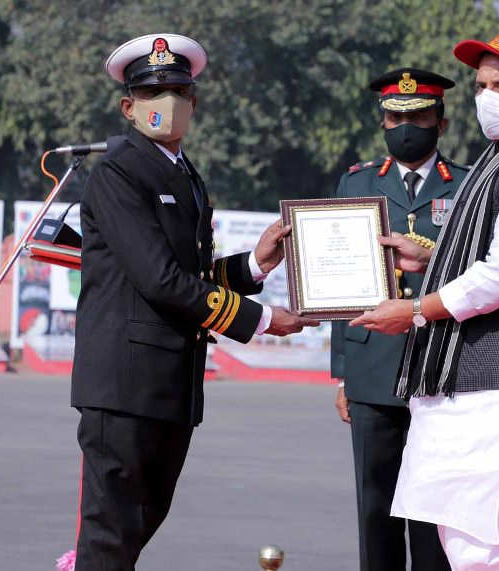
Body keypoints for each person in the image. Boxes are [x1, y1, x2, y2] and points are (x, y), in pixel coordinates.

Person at [63, 34, 318, 570]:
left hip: (169, 385)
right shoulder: (117, 173)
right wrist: (262, 320)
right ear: (128, 107)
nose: (168, 102)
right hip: (124, 384)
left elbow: (189, 276)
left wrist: (255, 265)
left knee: (138, 526)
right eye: (152, 93)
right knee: (110, 537)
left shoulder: (184, 173)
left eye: (179, 90)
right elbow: (159, 280)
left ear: (194, 102)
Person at [351, 28, 499, 570]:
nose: (488, 97)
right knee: (470, 551)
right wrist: (429, 260)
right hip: (480, 396)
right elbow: (491, 255)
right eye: (482, 85)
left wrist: (416, 309)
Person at [331, 68, 467, 571]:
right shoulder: (357, 182)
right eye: (395, 118)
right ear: (382, 122)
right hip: (372, 368)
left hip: (441, 366)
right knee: (376, 508)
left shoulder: (468, 185)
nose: (406, 127)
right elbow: (339, 286)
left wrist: (429, 260)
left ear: (441, 123)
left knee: (434, 511)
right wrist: (342, 373)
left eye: (419, 117)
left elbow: (483, 271)